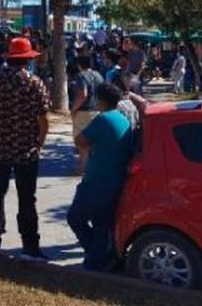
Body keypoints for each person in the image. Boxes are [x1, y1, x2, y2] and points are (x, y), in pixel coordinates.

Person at [0, 37, 50, 259]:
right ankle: (30, 245)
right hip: (26, 150)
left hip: (0, 148)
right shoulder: (34, 83)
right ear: (27, 60)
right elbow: (43, 119)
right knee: (27, 198)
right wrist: (40, 142)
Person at [67, 83, 134, 271]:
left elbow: (79, 140)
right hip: (115, 180)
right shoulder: (122, 118)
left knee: (75, 217)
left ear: (101, 100)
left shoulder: (103, 119)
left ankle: (96, 256)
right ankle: (102, 258)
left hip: (97, 180)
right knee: (101, 224)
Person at [70, 55, 103, 175]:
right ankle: (93, 168)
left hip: (84, 112)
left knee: (81, 143)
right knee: (94, 143)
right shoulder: (99, 76)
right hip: (97, 111)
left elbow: (82, 94)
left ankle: (82, 169)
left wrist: (73, 109)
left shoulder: (81, 76)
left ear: (79, 64)